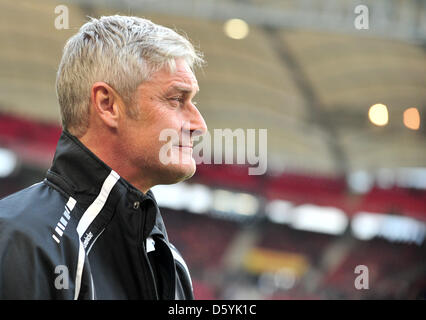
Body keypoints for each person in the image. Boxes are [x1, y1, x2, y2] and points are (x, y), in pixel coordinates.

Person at [0, 15, 207, 299]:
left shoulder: (171, 265)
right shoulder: (20, 240)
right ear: (107, 104)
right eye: (176, 100)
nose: (199, 124)